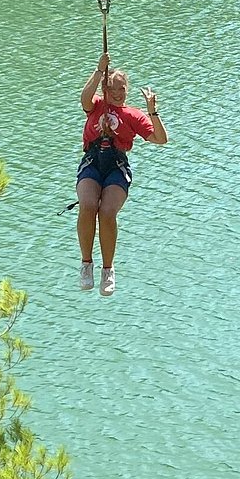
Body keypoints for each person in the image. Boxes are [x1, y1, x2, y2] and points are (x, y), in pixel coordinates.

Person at [77, 48, 166, 295]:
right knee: (88, 204)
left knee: (106, 211)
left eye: (121, 89)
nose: (116, 94)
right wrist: (98, 70)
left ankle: (108, 269)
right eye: (112, 89)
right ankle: (86, 264)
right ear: (104, 91)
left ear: (127, 90)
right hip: (93, 160)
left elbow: (160, 139)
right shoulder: (96, 105)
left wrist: (152, 110)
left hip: (116, 164)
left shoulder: (132, 115)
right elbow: (84, 98)